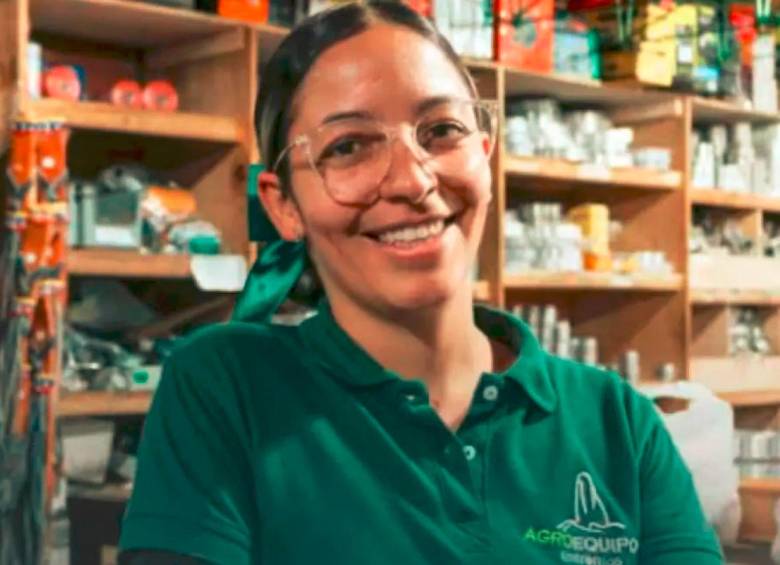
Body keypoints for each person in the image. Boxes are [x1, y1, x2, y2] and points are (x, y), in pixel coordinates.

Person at [118, 2, 723, 564]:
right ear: (284, 206)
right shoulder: (228, 388)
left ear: (484, 154)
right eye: (349, 146)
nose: (412, 179)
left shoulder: (616, 421)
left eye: (440, 131)